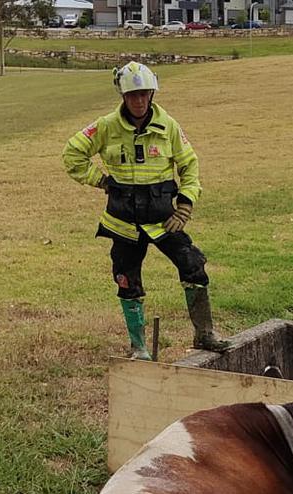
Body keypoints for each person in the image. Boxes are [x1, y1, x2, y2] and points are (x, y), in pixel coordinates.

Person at [63, 61, 230, 360]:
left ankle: (204, 334)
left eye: (144, 93)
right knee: (126, 280)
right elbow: (72, 154)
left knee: (193, 266)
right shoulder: (105, 127)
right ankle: (139, 348)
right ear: (122, 96)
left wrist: (185, 205)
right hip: (123, 221)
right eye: (132, 95)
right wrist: (100, 180)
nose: (138, 100)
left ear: (152, 93)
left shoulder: (169, 127)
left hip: (163, 220)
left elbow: (189, 165)